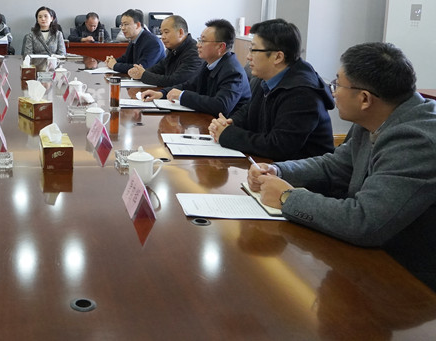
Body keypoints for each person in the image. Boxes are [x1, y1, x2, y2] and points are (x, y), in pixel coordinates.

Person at [248, 42, 436, 291]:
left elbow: (364, 221)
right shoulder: (375, 118)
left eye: (338, 84)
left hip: (409, 280)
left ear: (364, 98)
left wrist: (286, 197)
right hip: (373, 258)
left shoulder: (416, 140)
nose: (333, 92)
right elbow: (335, 165)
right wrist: (279, 171)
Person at [208, 19, 335, 160]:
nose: (248, 57)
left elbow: (278, 147)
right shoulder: (266, 77)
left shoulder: (302, 93)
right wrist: (230, 123)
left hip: (300, 171)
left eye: (253, 50)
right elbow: (249, 111)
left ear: (278, 57)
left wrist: (228, 134)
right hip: (271, 165)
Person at [142, 18, 250, 116]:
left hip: (227, 126)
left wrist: (182, 96)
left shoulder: (233, 72)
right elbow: (190, 85)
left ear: (221, 47)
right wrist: (161, 93)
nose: (198, 45)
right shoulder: (209, 63)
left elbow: (221, 106)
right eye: (199, 40)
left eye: (203, 41)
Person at [127, 15, 203, 87]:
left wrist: (143, 75)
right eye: (161, 33)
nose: (162, 37)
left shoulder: (195, 53)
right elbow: (158, 69)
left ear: (180, 33)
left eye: (166, 32)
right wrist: (139, 72)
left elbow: (174, 81)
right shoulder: (173, 49)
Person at [104, 9, 163, 73]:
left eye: (126, 24)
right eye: (122, 25)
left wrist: (114, 65)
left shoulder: (153, 43)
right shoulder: (134, 39)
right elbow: (126, 59)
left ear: (138, 25)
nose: (122, 28)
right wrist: (112, 61)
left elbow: (140, 68)